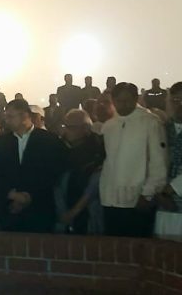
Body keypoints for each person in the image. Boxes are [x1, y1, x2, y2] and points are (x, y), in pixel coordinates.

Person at [100, 83, 167, 237]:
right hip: (109, 198)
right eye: (119, 101)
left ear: (136, 99)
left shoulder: (150, 122)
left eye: (128, 101)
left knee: (136, 246)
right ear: (113, 101)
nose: (123, 105)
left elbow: (159, 162)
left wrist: (148, 194)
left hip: (138, 199)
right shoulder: (109, 126)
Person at [0, 99, 68, 233]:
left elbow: (55, 172)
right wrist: (12, 194)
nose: (6, 121)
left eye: (10, 116)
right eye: (6, 117)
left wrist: (29, 196)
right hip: (9, 208)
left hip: (40, 208)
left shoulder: (49, 140)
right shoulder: (2, 141)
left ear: (24, 116)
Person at [58, 109, 105, 235]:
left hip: (90, 212)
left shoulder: (97, 149)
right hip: (66, 206)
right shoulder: (62, 147)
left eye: (71, 127)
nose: (66, 131)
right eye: (65, 126)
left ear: (85, 128)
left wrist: (74, 211)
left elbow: (95, 185)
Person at [158, 82, 182, 211]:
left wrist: (170, 189)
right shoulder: (161, 129)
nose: (180, 105)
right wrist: (161, 195)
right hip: (162, 201)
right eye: (176, 100)